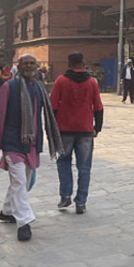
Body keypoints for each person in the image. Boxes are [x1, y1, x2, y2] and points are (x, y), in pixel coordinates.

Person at [0, 54, 63, 242]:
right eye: (25, 63)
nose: (29, 66)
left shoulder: (39, 87)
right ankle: (24, 222)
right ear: (19, 66)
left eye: (32, 63)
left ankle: (7, 211)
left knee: (25, 182)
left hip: (31, 143)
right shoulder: (9, 87)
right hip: (12, 143)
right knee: (20, 182)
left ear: (37, 66)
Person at [51, 52, 104, 214]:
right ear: (83, 62)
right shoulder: (92, 82)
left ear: (69, 63)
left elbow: (53, 106)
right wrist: (98, 127)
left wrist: (52, 128)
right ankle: (81, 202)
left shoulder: (61, 80)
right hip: (85, 129)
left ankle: (65, 195)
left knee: (64, 162)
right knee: (84, 167)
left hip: (65, 129)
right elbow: (98, 107)